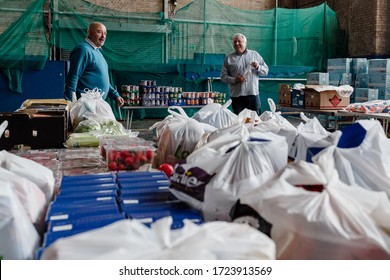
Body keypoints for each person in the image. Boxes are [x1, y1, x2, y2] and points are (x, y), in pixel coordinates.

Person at [64, 22, 124, 107]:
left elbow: (103, 80)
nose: (103, 36)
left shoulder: (97, 51)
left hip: (96, 105)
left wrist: (115, 95)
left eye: (105, 33)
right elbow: (73, 77)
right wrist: (70, 103)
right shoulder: (83, 50)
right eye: (99, 32)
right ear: (89, 33)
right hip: (85, 106)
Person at [221, 33, 268, 115]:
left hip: (252, 94)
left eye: (239, 41)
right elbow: (223, 77)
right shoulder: (229, 58)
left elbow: (266, 71)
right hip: (236, 97)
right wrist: (235, 80)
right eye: (235, 42)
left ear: (245, 43)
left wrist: (258, 67)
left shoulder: (255, 55)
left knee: (255, 121)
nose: (236, 43)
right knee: (239, 122)